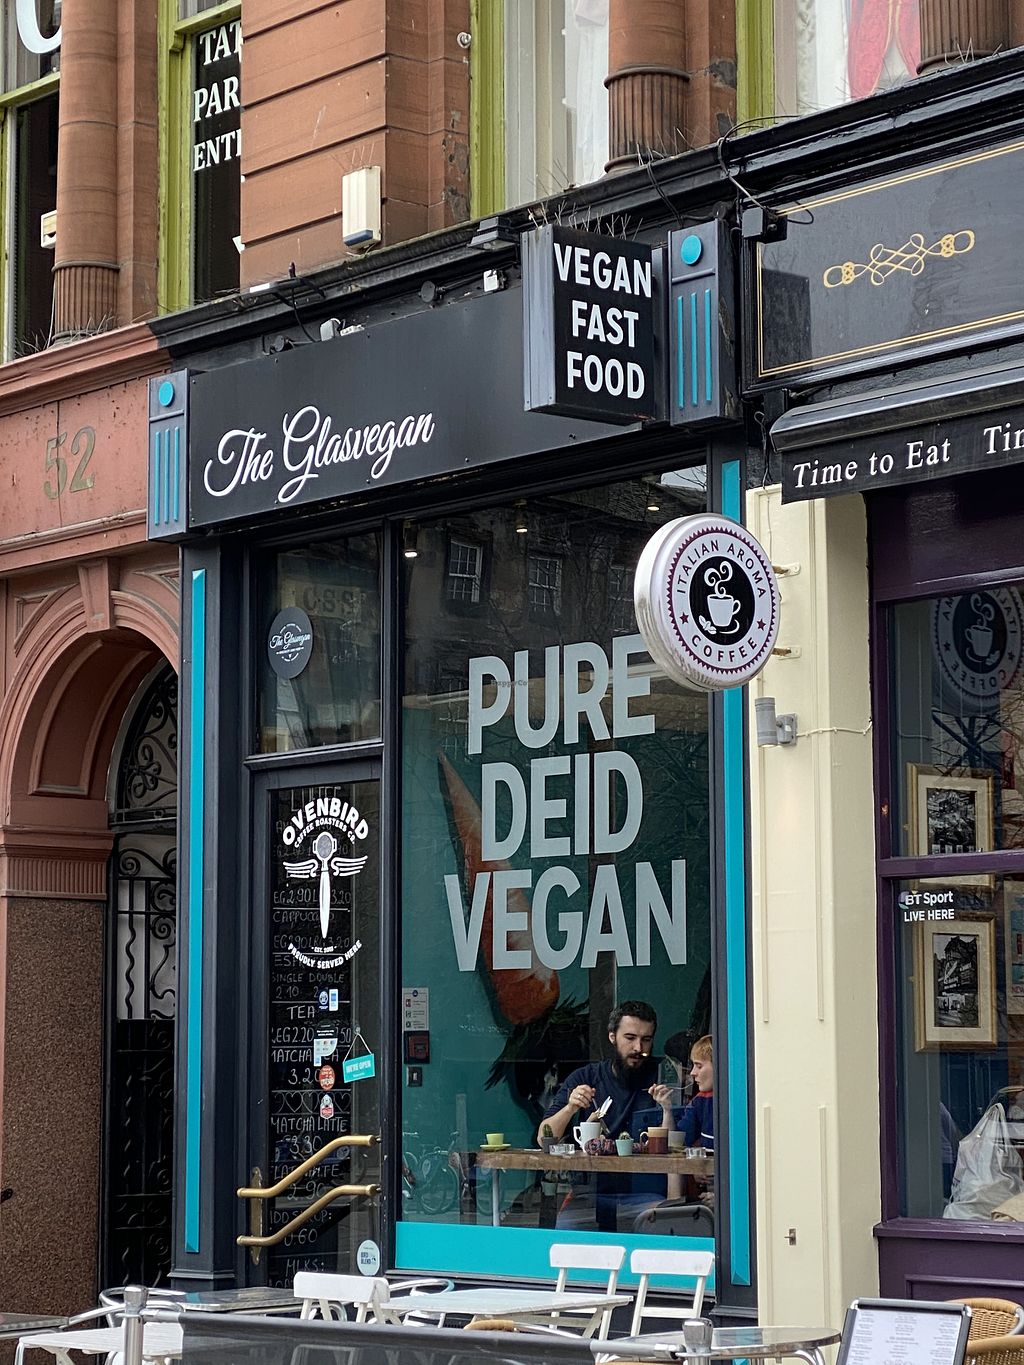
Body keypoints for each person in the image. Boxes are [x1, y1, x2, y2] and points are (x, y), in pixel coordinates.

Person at [537, 1000, 675, 1231]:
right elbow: (543, 1138)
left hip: (648, 1195)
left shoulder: (664, 1076)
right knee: (566, 1231)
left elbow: (678, 1146)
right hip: (590, 1195)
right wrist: (570, 1107)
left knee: (666, 1226)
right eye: (630, 1038)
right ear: (612, 1037)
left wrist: (667, 1107)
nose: (638, 1047)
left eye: (646, 1039)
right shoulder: (586, 1077)